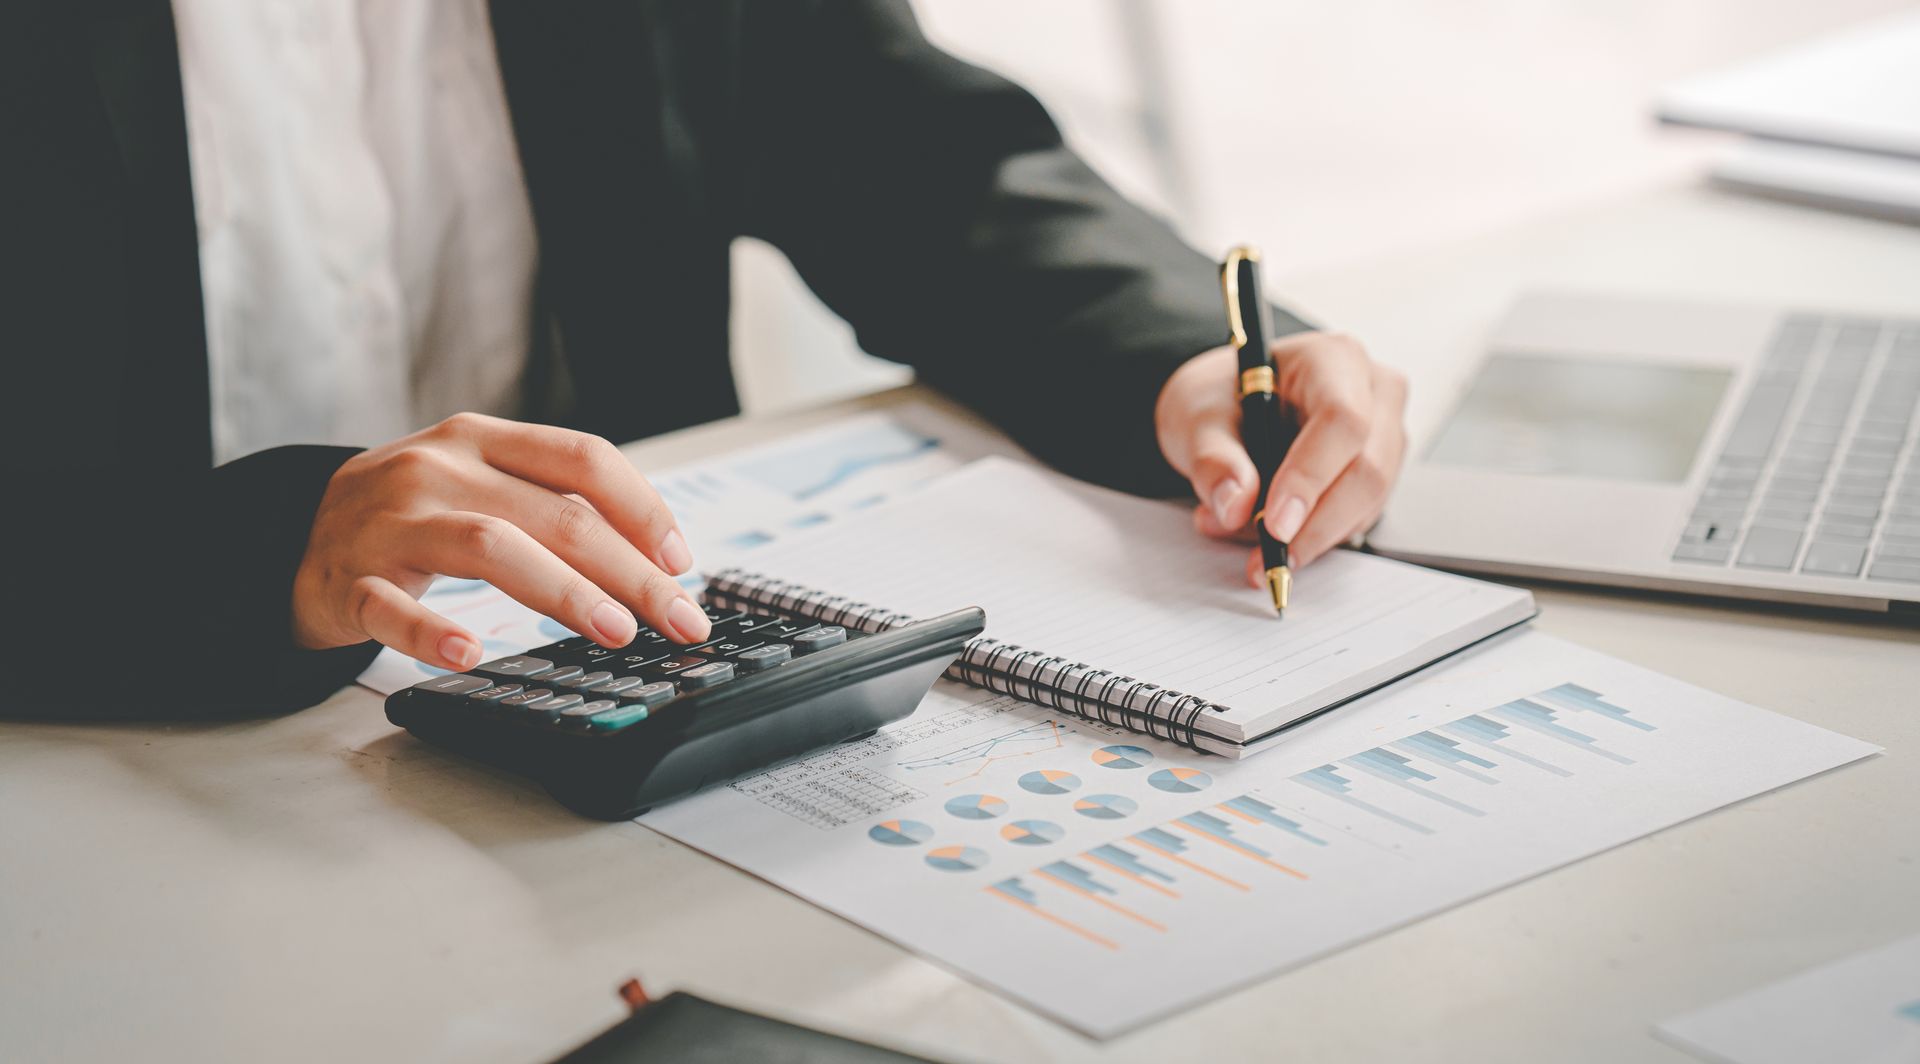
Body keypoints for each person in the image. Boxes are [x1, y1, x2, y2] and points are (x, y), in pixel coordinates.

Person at [5, 1, 1406, 716]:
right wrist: (268, 553)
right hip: (115, 729)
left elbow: (887, 136)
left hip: (617, 718)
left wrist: (1175, 352)